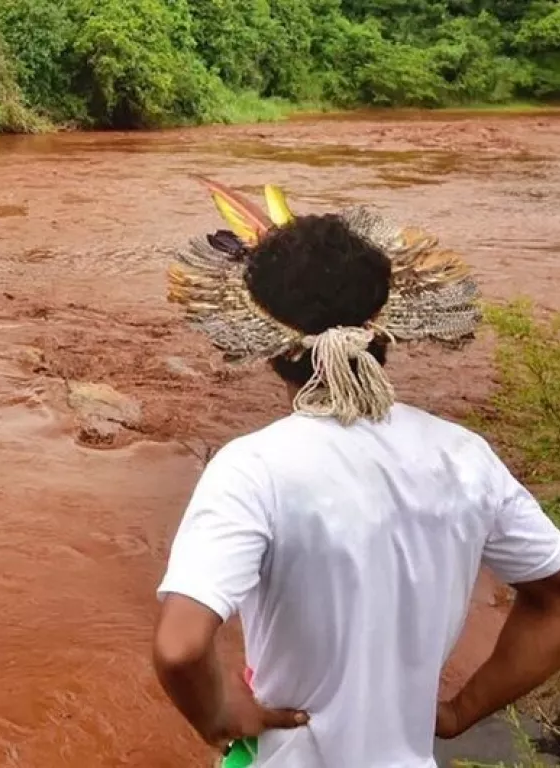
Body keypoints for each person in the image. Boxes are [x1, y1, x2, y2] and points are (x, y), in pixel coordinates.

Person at [152, 183, 560, 767]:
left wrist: (217, 713)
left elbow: (179, 648)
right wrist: (460, 710)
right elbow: (554, 601)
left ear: (268, 347)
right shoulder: (464, 457)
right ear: (386, 330)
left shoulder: (253, 468)